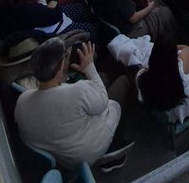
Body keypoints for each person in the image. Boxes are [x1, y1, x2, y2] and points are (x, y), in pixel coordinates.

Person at [14, 39, 134, 172]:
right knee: (123, 81)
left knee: (103, 78)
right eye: (65, 56)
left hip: (63, 158)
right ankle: (114, 147)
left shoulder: (22, 100)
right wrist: (90, 67)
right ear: (60, 68)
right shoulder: (77, 92)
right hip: (88, 152)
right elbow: (102, 102)